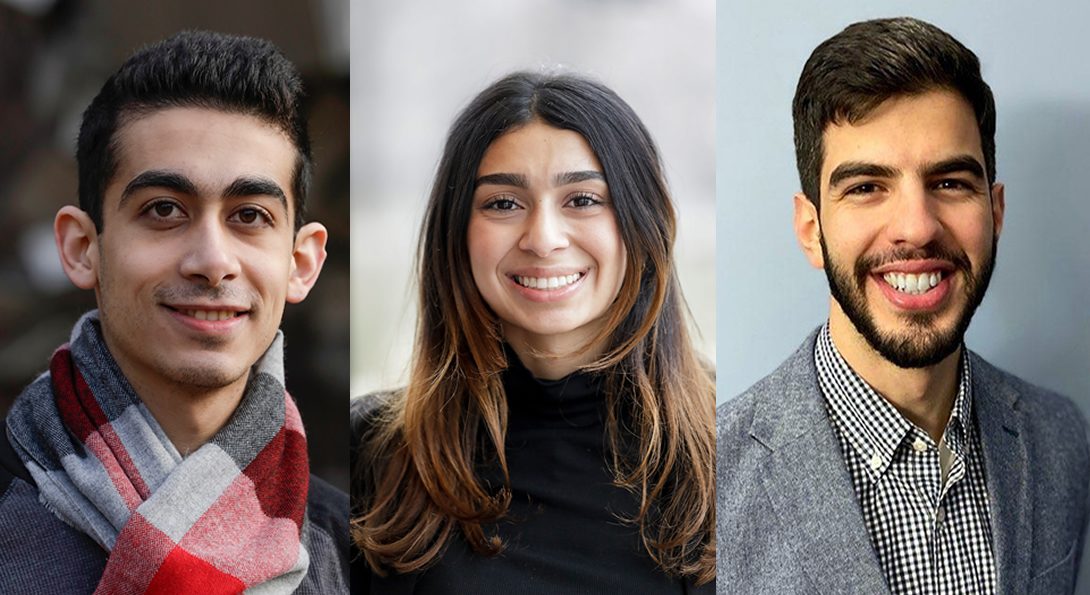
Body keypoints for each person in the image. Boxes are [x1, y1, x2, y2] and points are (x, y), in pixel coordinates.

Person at [716, 16, 1089, 594]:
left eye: (949, 183)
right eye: (866, 187)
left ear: (995, 214)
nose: (915, 228)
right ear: (811, 229)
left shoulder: (1059, 439)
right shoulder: (711, 480)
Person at [0, 31, 348, 593]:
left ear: (300, 262)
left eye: (251, 216)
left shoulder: (358, 550)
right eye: (164, 209)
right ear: (82, 248)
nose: (212, 262)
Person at [351, 72, 715, 593]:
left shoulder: (734, 452)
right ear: (456, 235)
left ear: (644, 222)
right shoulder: (372, 454)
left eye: (583, 200)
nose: (543, 239)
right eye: (503, 203)